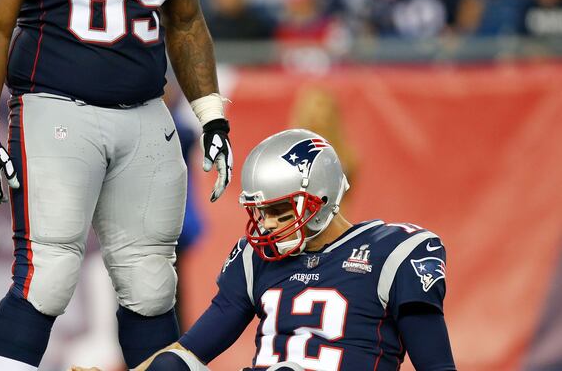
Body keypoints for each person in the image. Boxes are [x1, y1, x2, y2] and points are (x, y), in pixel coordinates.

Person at [0, 0, 234, 370]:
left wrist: (211, 115)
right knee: (45, 276)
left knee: (151, 285)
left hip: (145, 109)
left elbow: (185, 20)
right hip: (54, 105)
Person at [135, 129, 456, 371]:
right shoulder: (254, 258)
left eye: (279, 210)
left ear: (322, 199)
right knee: (169, 365)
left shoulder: (394, 253)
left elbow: (437, 366)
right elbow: (190, 350)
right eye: (261, 212)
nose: (268, 224)